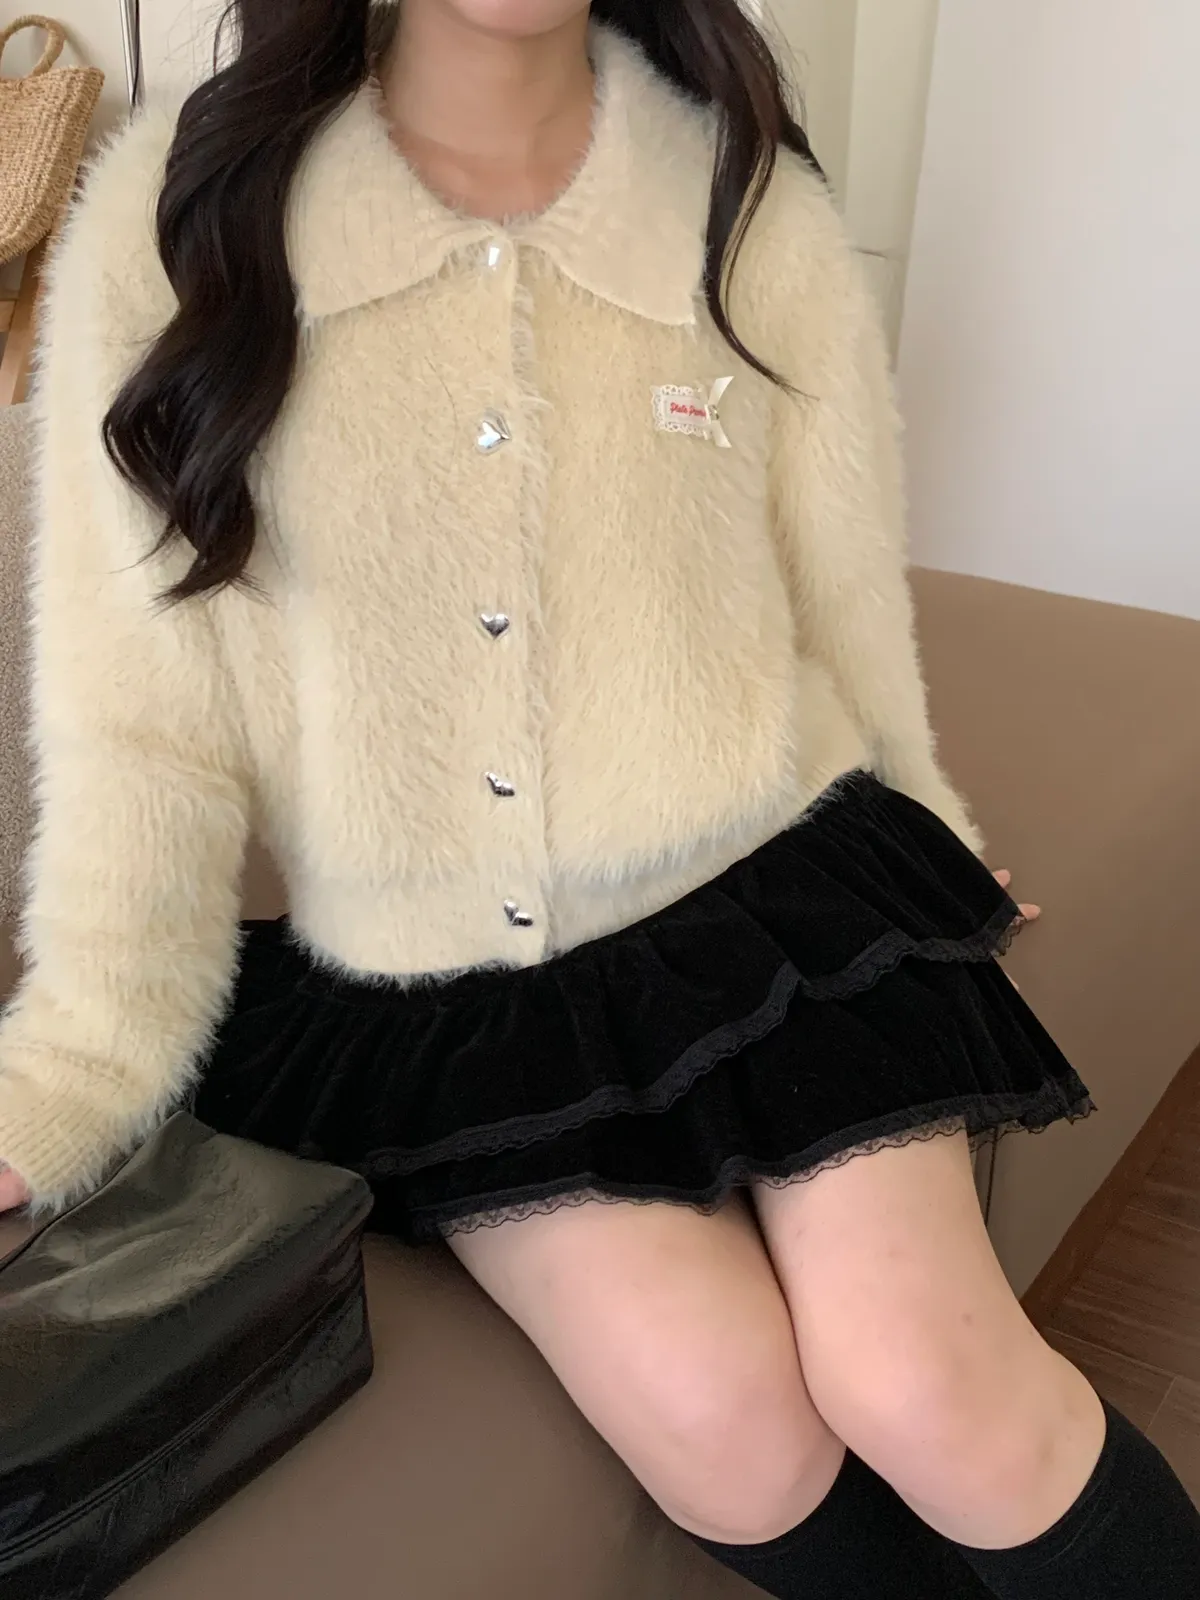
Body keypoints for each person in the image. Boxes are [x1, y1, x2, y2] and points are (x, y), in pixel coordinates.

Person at [1, 1, 1197, 1595]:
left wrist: (930, 836)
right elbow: (137, 727)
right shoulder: (178, 219)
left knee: (926, 1383)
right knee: (728, 1422)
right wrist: (64, 1083)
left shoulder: (744, 197)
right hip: (451, 992)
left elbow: (840, 597)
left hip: (776, 886)